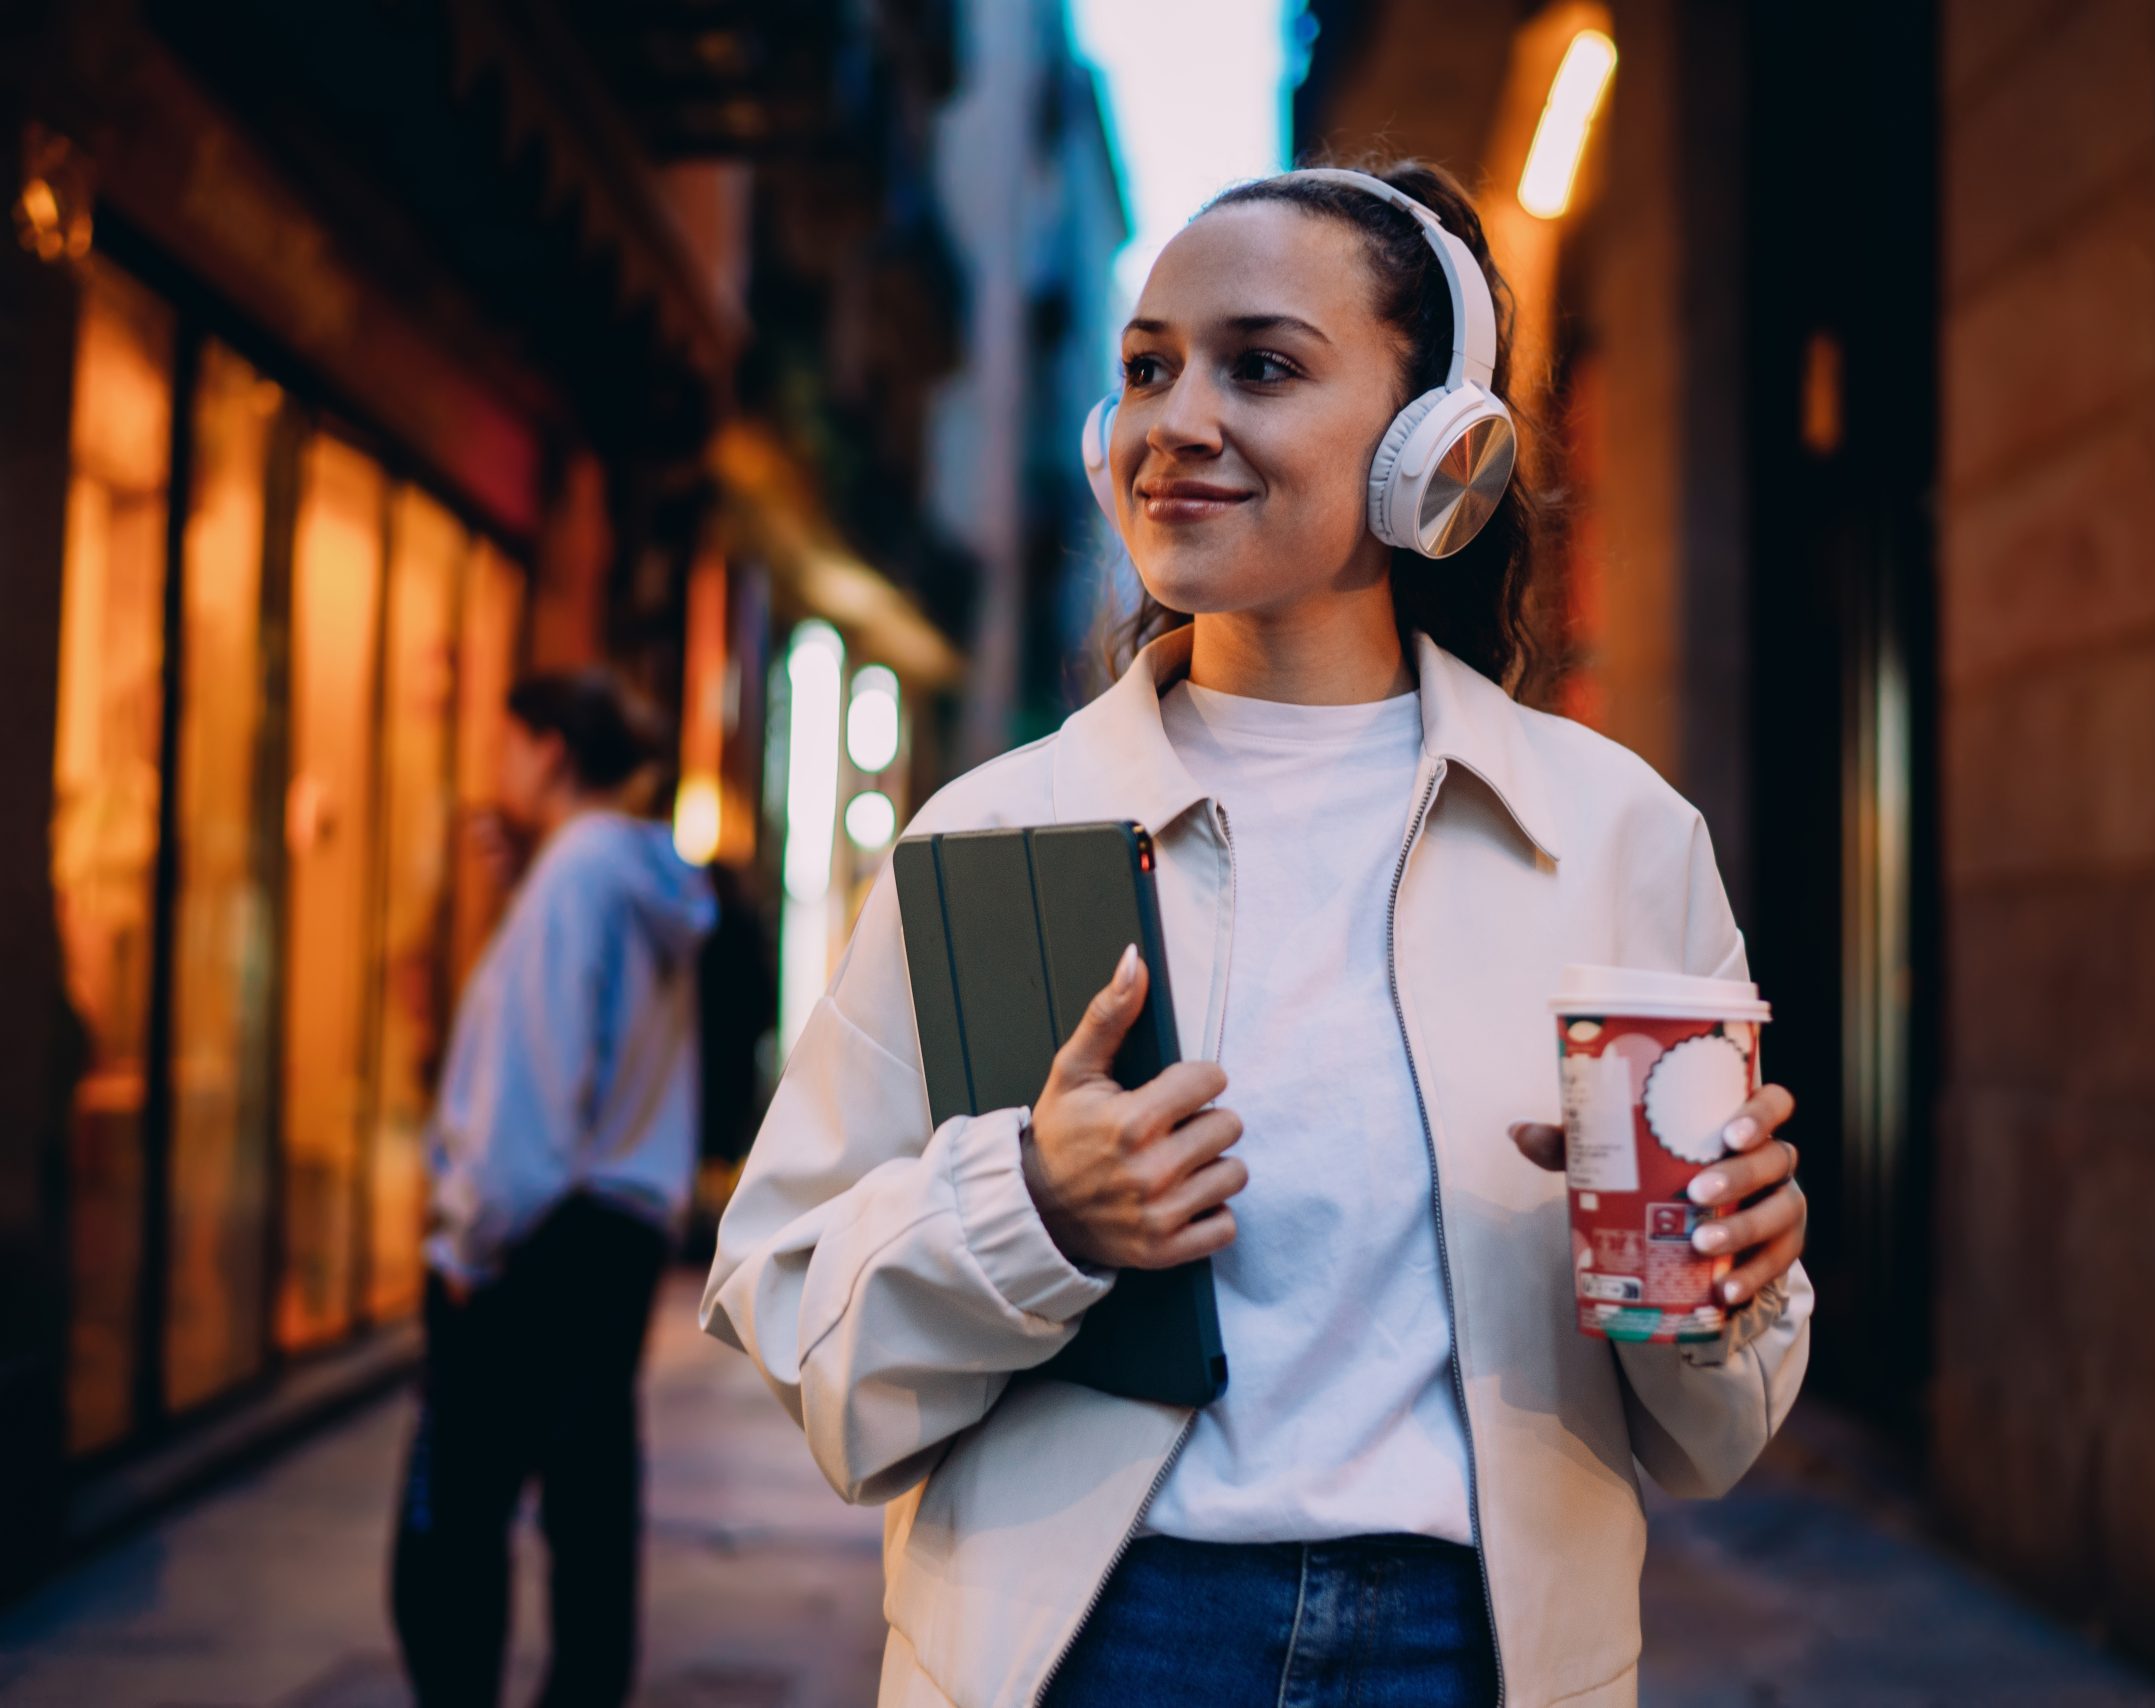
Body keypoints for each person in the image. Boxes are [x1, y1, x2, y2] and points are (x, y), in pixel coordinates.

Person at [703, 160, 1812, 1708]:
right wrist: (1031, 1212)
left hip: (1472, 1656)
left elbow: (1715, 1433)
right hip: (1095, 1651)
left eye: (1263, 366)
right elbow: (785, 1301)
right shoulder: (993, 837)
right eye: (1148, 366)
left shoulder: (1617, 836)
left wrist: (1729, 1279)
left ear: (1437, 446)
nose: (1178, 420)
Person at [392, 670, 716, 1708]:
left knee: (443, 1540)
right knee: (587, 1509)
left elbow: (532, 1092)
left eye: (509, 745)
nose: (499, 772)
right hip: (618, 1230)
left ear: (552, 754)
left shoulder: (576, 878)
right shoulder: (641, 875)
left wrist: (465, 1246)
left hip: (538, 1236)